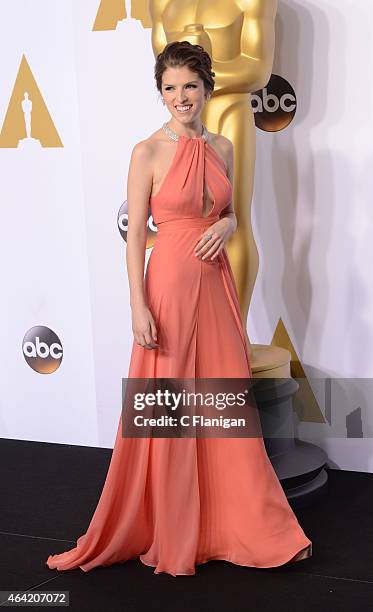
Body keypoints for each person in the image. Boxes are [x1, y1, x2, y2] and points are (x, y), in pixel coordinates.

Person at [46, 41, 312, 577]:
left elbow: (233, 212)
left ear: (207, 88)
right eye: (169, 88)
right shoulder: (146, 151)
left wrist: (225, 224)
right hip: (166, 282)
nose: (180, 97)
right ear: (160, 93)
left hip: (214, 288)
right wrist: (137, 306)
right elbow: (133, 239)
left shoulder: (223, 146)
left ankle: (237, 522)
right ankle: (171, 524)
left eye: (189, 85)